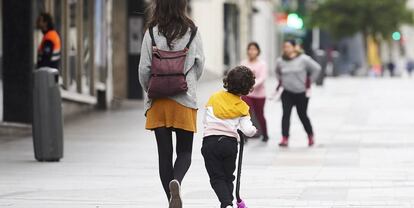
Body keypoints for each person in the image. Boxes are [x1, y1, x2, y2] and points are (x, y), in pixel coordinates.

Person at [138, 0, 205, 207]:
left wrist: (150, 89)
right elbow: (200, 63)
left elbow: (144, 69)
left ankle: (170, 197)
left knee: (164, 155)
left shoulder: (151, 32)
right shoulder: (192, 31)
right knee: (184, 152)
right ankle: (177, 181)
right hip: (184, 100)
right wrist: (189, 84)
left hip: (159, 101)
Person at [202, 66, 257, 208]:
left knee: (216, 178)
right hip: (229, 144)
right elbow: (247, 130)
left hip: (210, 142)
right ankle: (228, 203)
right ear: (247, 88)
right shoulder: (242, 106)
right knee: (228, 177)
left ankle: (226, 204)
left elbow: (205, 120)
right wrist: (254, 130)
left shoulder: (214, 98)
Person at [276, 40, 321, 147]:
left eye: (289, 46)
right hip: (287, 92)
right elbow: (277, 72)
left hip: (301, 93)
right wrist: (282, 81)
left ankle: (310, 135)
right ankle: (284, 138)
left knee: (302, 115)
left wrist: (309, 82)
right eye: (285, 47)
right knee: (286, 115)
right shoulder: (280, 61)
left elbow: (317, 69)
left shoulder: (304, 59)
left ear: (295, 47)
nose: (286, 49)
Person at [241, 42, 269, 142]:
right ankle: (244, 136)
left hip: (259, 94)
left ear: (258, 51)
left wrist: (252, 85)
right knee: (245, 114)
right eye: (250, 49)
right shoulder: (244, 63)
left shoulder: (262, 64)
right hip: (246, 94)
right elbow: (240, 76)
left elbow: (262, 78)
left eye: (254, 49)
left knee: (259, 115)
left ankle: (265, 134)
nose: (252, 51)